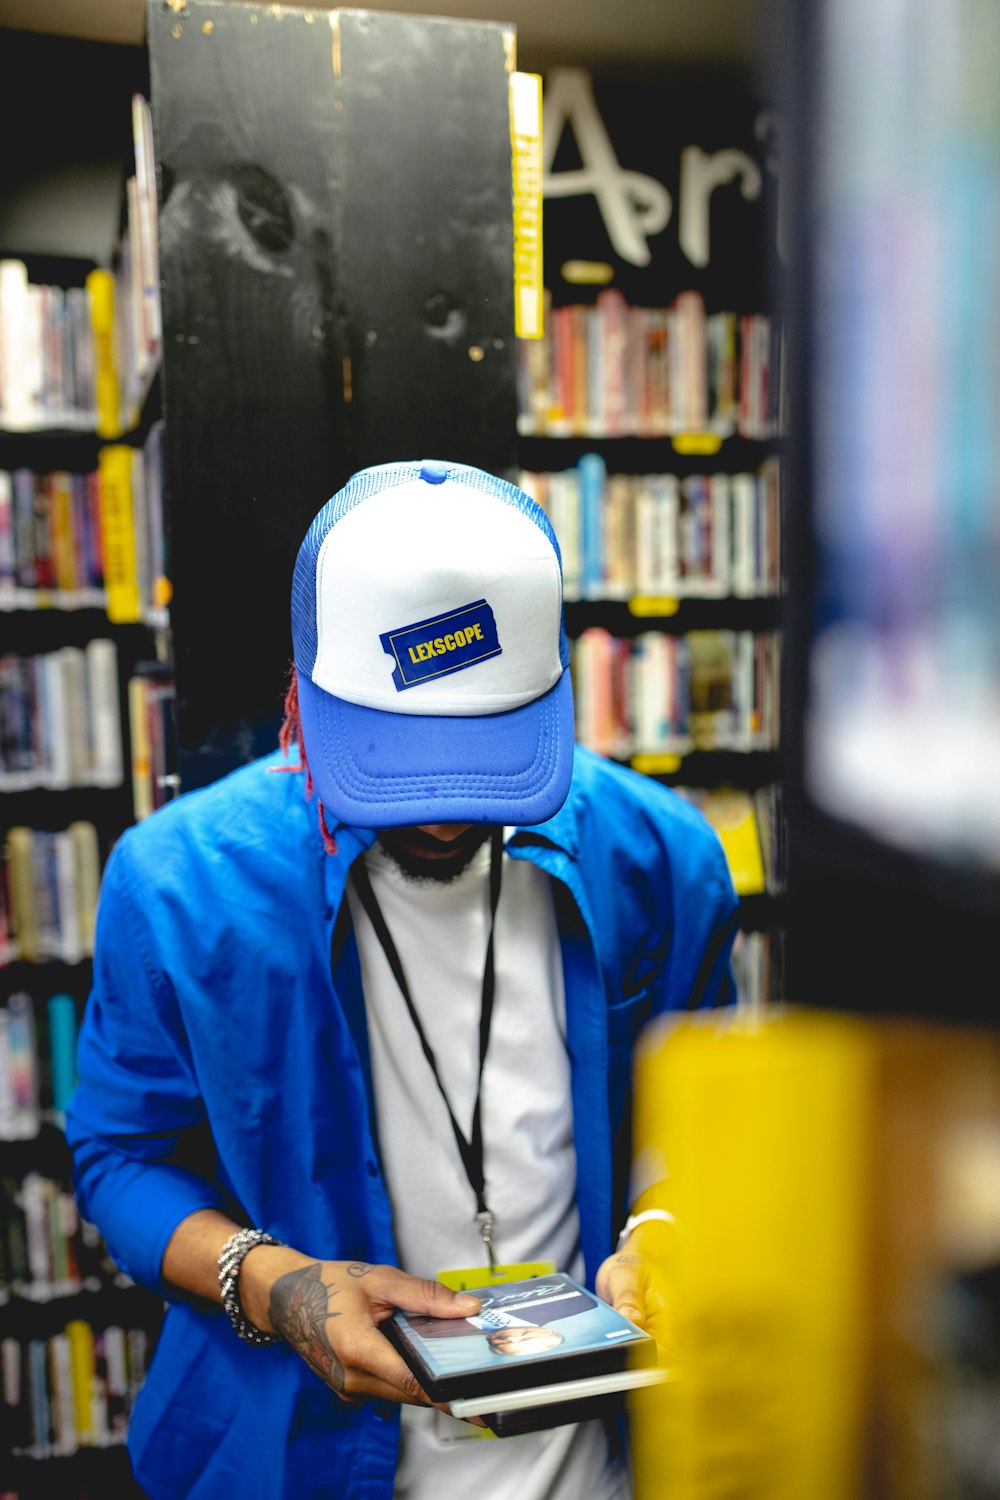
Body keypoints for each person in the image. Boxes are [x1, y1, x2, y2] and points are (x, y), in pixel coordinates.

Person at [66, 458, 738, 1500]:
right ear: (303, 693)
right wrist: (280, 1286)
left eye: (484, 756)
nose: (439, 810)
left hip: (605, 1468)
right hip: (292, 1465)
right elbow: (119, 1156)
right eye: (394, 757)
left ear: (555, 687)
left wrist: (663, 1233)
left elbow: (697, 1124)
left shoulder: (660, 858)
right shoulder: (179, 886)